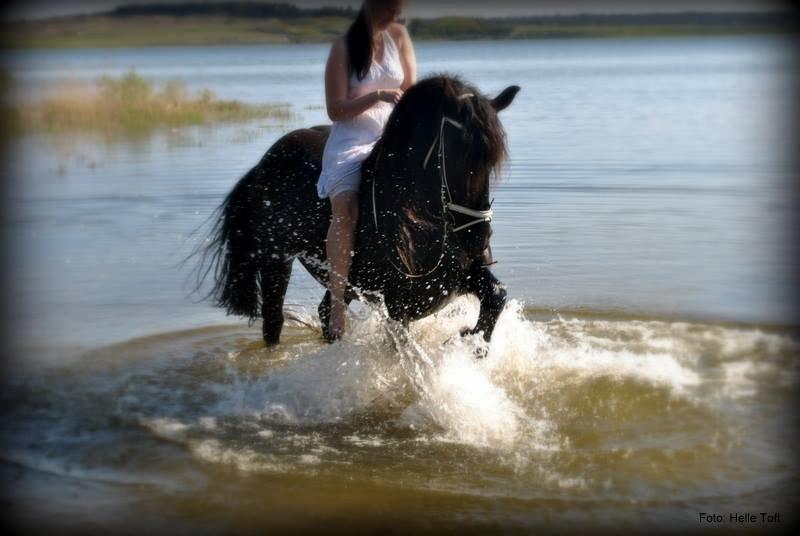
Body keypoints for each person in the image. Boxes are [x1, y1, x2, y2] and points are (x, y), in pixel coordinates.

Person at [317, 0, 417, 340]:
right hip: (352, 142)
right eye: (389, 9)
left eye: (398, 9)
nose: (395, 16)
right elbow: (335, 110)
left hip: (393, 137)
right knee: (345, 209)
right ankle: (337, 306)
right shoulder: (343, 47)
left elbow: (411, 90)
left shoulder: (399, 36)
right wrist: (377, 96)